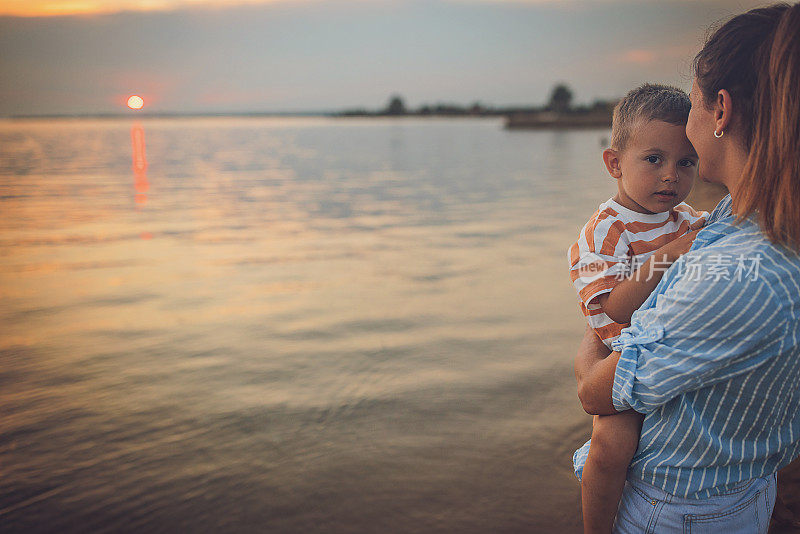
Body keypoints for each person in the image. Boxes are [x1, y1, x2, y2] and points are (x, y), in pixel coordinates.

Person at [574, 3, 800, 532]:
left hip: (680, 510)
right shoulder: (742, 217)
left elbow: (593, 393)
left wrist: (588, 345)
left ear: (720, 111)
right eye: (654, 158)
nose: (675, 165)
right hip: (743, 486)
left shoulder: (735, 269)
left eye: (693, 103)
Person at [568, 83, 708, 534]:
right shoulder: (605, 230)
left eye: (685, 162)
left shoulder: (686, 217)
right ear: (614, 163)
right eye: (654, 160)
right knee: (610, 446)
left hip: (668, 346)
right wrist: (681, 248)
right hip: (620, 354)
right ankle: (596, 527)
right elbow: (618, 306)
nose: (671, 175)